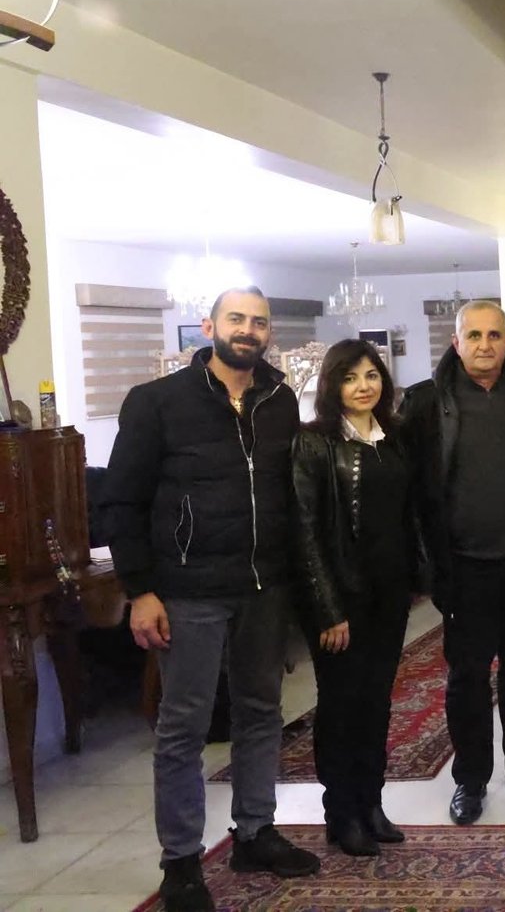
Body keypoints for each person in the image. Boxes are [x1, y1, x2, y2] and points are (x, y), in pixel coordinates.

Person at [104, 287, 321, 912]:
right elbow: (121, 501)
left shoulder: (280, 400)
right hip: (187, 590)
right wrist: (140, 590)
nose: (248, 330)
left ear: (269, 333)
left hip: (263, 587)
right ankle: (180, 862)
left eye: (259, 322)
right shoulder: (157, 402)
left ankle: (255, 832)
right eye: (236, 319)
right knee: (184, 727)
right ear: (209, 326)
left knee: (261, 714)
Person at [402, 301, 505, 826]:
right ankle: (471, 778)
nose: (484, 344)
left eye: (494, 335)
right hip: (462, 566)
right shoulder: (425, 402)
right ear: (456, 342)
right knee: (468, 676)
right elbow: (411, 490)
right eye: (473, 335)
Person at [291, 339, 427, 855]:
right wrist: (328, 609)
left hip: (389, 593)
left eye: (371, 375)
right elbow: (305, 533)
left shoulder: (395, 437)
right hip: (340, 601)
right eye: (350, 377)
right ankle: (341, 812)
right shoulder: (314, 443)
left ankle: (371, 803)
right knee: (341, 705)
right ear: (333, 385)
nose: (363, 386)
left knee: (376, 702)